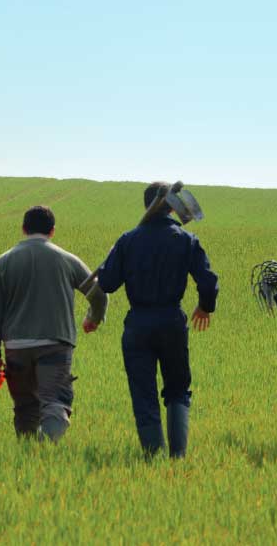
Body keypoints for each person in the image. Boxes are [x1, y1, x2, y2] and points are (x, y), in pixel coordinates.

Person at [97, 182, 219, 458]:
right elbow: (208, 281)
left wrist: (112, 257)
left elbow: (106, 283)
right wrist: (205, 307)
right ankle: (177, 456)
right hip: (172, 323)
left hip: (138, 324)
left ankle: (153, 457)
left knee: (143, 393)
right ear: (174, 207)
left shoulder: (128, 240)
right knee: (178, 390)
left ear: (146, 205)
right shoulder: (186, 240)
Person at [0, 205, 108, 442]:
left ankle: (28, 459)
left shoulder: (4, 261)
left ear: (23, 229)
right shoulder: (66, 259)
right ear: (52, 231)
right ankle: (46, 447)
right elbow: (99, 293)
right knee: (55, 402)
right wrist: (93, 318)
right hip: (55, 344)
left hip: (16, 347)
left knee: (25, 407)